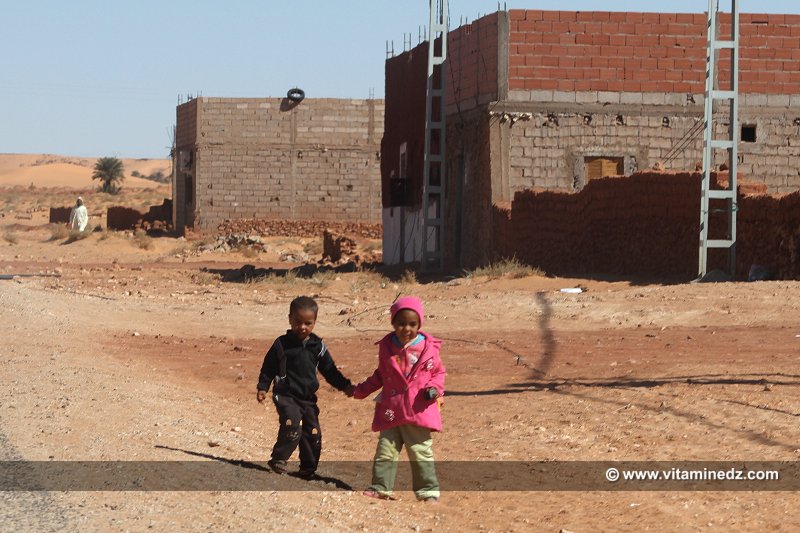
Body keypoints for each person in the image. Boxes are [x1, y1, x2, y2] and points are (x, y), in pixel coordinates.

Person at [352, 296, 445, 502]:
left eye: (412, 324)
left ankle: (428, 492)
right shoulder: (387, 347)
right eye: (401, 323)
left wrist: (434, 389)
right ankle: (380, 486)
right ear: (393, 323)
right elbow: (381, 375)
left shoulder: (428, 349)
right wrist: (361, 390)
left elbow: (439, 373)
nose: (406, 329)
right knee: (386, 450)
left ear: (419, 324)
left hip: (417, 410)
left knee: (421, 453)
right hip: (391, 409)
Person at [256, 296, 353, 478]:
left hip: (308, 398)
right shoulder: (281, 344)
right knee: (292, 424)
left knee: (313, 432)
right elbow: (269, 366)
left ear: (315, 322)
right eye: (297, 322)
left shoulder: (318, 346)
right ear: (289, 319)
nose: (302, 327)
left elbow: (329, 370)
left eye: (308, 323)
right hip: (285, 394)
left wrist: (345, 386)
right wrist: (263, 386)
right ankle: (279, 458)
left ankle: (308, 469)